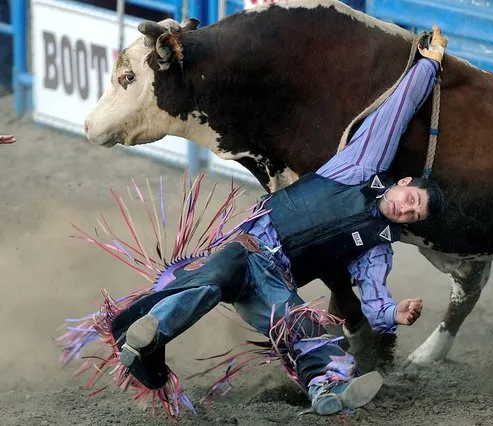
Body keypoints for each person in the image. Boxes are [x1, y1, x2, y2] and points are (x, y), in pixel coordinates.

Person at [70, 26, 448, 419]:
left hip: (273, 280)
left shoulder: (376, 247)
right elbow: (396, 112)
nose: (407, 210)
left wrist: (393, 315)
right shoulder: (360, 167)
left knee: (301, 325)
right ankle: (149, 333)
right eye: (412, 200)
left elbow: (374, 296)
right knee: (214, 280)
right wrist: (428, 66)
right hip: (247, 247)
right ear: (403, 184)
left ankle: (326, 392)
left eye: (413, 215)